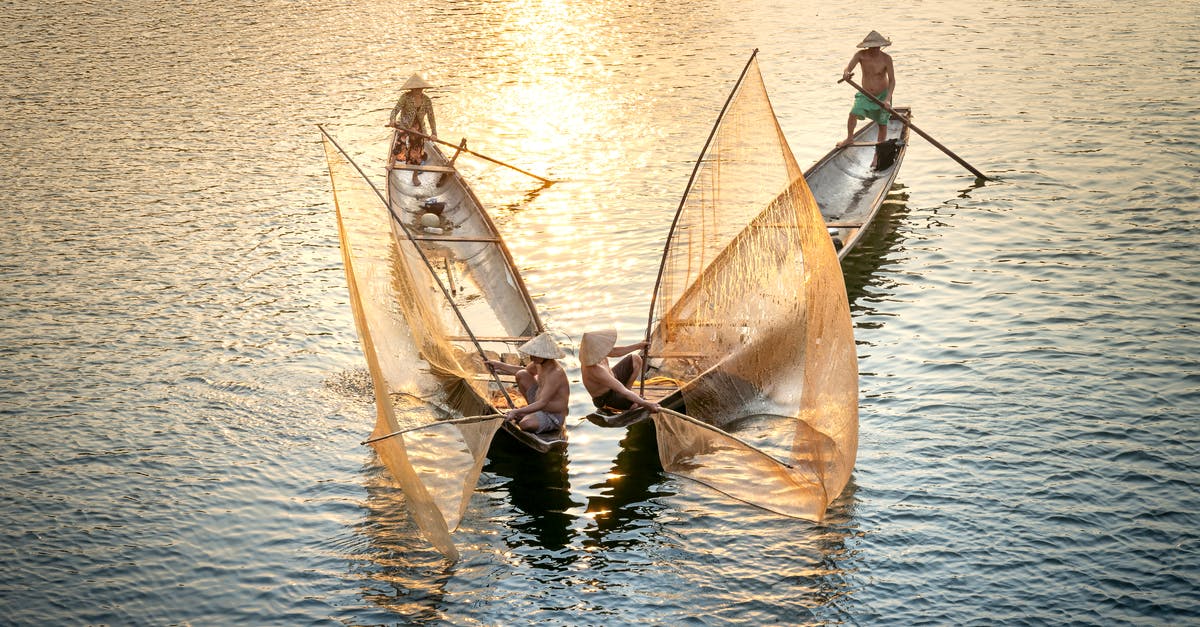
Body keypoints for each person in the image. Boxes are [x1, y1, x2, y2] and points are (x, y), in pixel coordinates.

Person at [483, 333, 569, 434]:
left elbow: (542, 403)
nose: (531, 358)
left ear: (544, 356)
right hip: (537, 403)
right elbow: (522, 370)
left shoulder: (555, 374)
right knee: (522, 374)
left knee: (525, 424)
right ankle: (531, 411)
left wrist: (517, 411)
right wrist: (499, 365)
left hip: (552, 414)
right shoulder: (540, 364)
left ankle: (530, 415)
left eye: (534, 355)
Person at [837, 30, 896, 166]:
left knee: (882, 124)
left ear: (881, 46)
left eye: (877, 47)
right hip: (866, 94)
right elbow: (848, 67)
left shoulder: (886, 59)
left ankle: (877, 156)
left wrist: (887, 99)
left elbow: (892, 81)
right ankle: (849, 138)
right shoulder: (860, 56)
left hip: (883, 95)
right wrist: (846, 73)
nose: (875, 50)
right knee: (853, 113)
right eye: (872, 47)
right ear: (867, 47)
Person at [579, 329, 659, 413]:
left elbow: (615, 352)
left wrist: (639, 346)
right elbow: (622, 390)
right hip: (606, 397)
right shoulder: (595, 369)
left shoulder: (598, 352)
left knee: (636, 359)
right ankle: (625, 401)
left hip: (613, 379)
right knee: (635, 405)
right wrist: (647, 404)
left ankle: (629, 393)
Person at [389, 73, 438, 185]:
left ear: (422, 88)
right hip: (405, 125)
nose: (418, 90)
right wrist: (392, 119)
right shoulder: (405, 97)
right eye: (415, 89)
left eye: (420, 88)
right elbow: (396, 109)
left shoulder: (426, 100)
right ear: (411, 89)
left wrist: (434, 133)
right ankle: (392, 164)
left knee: (417, 153)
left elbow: (431, 117)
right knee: (399, 144)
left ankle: (415, 176)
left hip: (419, 128)